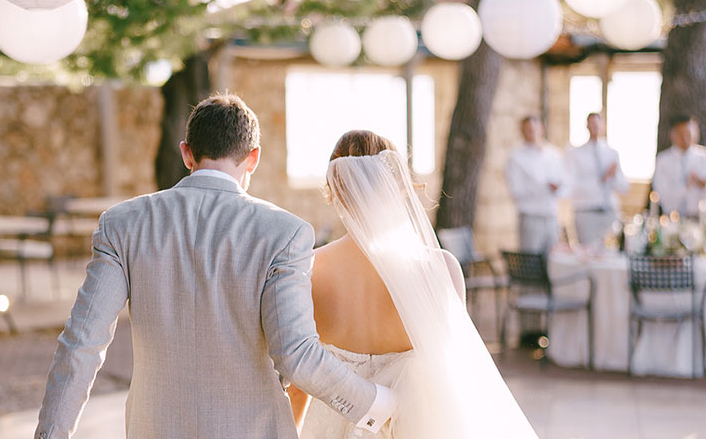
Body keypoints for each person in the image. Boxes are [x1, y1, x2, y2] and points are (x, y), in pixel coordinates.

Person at [35, 95, 394, 439]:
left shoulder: (123, 223)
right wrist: (378, 403)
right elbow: (296, 355)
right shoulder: (285, 232)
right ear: (253, 157)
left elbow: (81, 343)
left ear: (187, 153)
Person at [291, 130, 537, 439]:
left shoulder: (307, 270)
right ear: (400, 187)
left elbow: (298, 383)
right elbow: (457, 376)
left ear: (333, 189)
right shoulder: (442, 268)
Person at [505, 115, 568, 253]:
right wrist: (541, 186)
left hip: (551, 217)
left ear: (542, 129)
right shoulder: (516, 157)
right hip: (530, 218)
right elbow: (515, 191)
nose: (531, 133)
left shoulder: (554, 155)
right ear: (522, 132)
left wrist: (556, 188)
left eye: (534, 129)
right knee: (531, 262)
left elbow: (565, 187)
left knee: (552, 261)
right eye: (527, 130)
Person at [565, 112, 629, 246]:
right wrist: (602, 179)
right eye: (592, 124)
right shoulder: (575, 154)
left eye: (598, 124)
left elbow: (624, 187)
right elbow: (571, 186)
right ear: (587, 126)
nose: (595, 127)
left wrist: (614, 175)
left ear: (603, 126)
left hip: (609, 212)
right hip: (586, 213)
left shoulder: (612, 153)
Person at [653, 114, 706, 218]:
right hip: (673, 219)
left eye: (689, 133)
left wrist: (702, 184)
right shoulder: (663, 161)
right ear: (672, 134)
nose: (685, 138)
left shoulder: (704, 157)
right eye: (681, 134)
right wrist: (685, 187)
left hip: (701, 219)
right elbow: (663, 197)